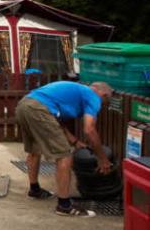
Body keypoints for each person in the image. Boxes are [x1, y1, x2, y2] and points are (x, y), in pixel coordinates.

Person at [16, 81, 113, 217]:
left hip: (24, 105)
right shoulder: (93, 96)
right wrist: (103, 159)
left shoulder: (76, 92)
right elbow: (89, 129)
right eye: (104, 103)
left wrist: (74, 141)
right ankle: (64, 205)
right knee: (65, 156)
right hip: (38, 110)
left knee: (34, 150)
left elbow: (55, 118)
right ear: (104, 94)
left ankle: (35, 190)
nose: (101, 106)